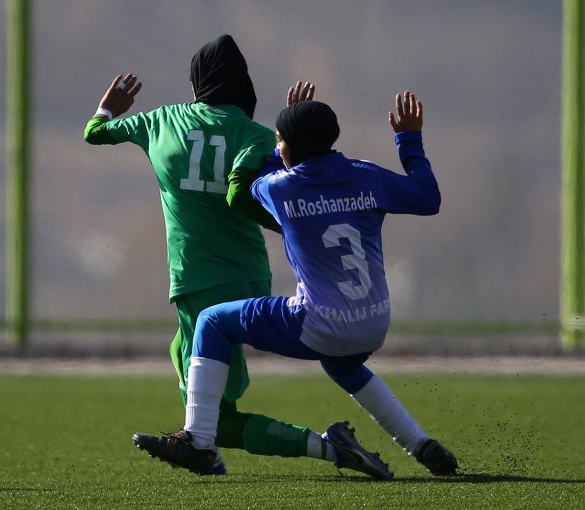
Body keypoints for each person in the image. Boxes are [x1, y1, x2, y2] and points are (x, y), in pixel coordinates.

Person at [84, 35, 382, 476]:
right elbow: (294, 184)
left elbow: (93, 134)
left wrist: (108, 109)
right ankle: (207, 450)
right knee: (191, 369)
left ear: (196, 84)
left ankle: (327, 448)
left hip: (196, 277)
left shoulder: (161, 121)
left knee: (215, 417)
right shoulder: (257, 136)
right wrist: (295, 127)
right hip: (249, 275)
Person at [135, 91, 459, 479]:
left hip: (319, 322)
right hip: (373, 322)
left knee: (212, 321)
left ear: (292, 146)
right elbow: (428, 198)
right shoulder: (368, 176)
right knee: (343, 365)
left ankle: (199, 441)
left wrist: (274, 147)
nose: (276, 145)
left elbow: (244, 184)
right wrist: (408, 140)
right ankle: (420, 443)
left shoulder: (280, 188)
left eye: (279, 139)